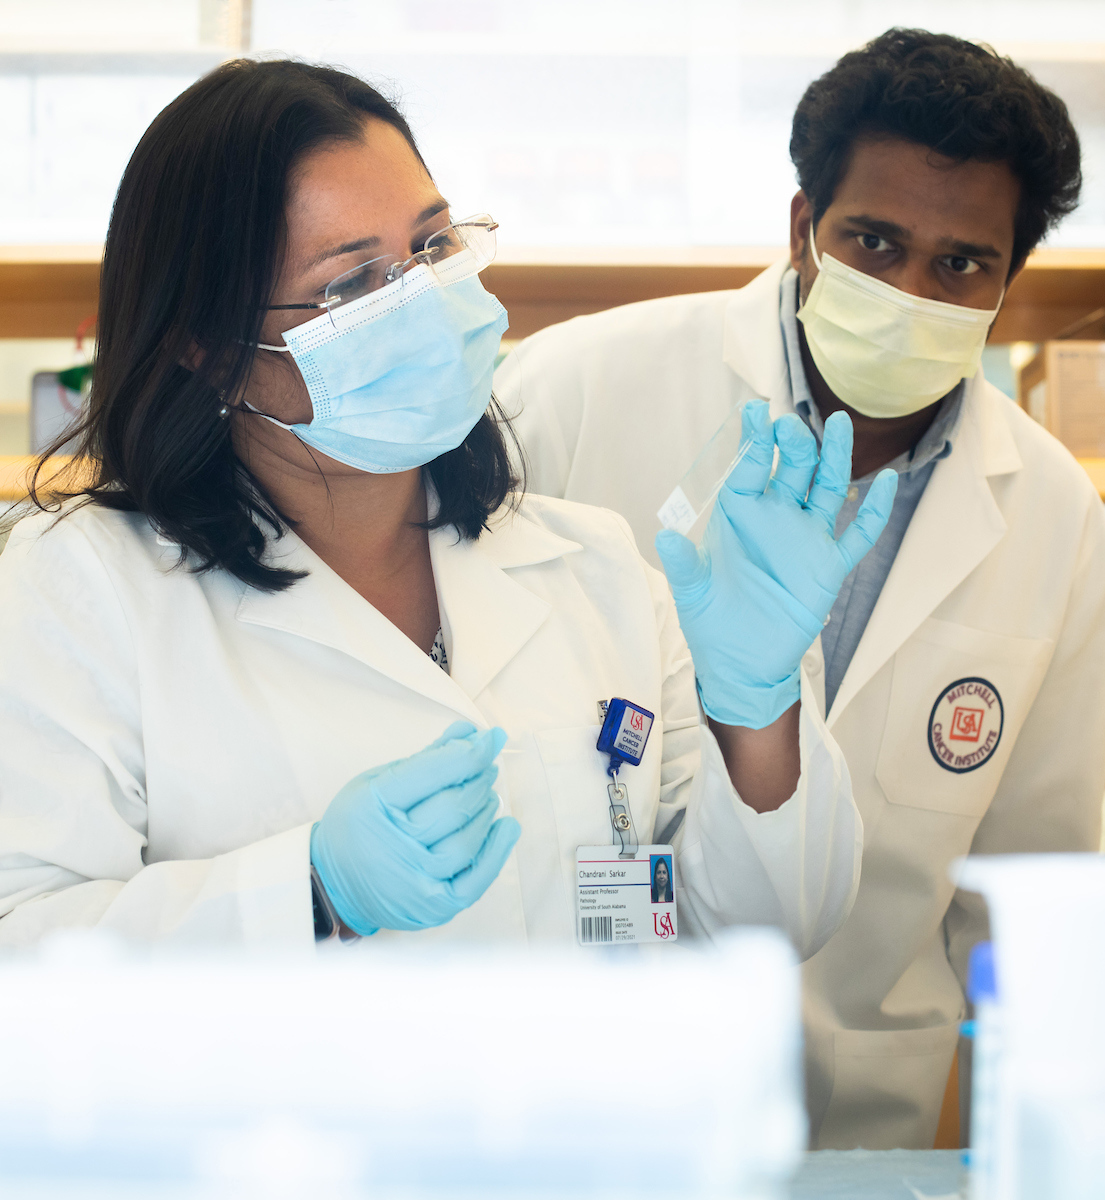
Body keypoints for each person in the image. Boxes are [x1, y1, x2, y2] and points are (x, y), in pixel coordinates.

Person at [0, 60, 894, 955]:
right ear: (208, 347)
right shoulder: (78, 589)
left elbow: (765, 931)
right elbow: (23, 949)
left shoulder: (592, 566)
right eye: (352, 285)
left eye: (431, 247)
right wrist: (312, 894)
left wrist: (757, 709)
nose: (424, 301)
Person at [497, 29, 1105, 1149]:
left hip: (861, 1115)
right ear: (800, 230)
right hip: (581, 1087)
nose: (910, 290)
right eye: (872, 242)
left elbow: (1033, 880)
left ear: (1006, 284)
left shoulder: (1055, 517)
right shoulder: (578, 390)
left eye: (960, 263)